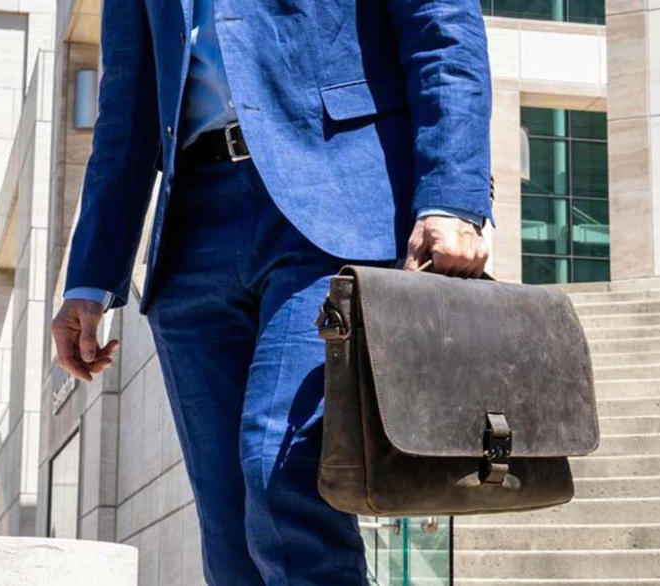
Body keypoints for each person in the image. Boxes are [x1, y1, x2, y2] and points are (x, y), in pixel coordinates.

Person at [51, 0, 492, 582]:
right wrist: (91, 277)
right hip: (192, 230)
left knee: (279, 471)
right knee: (227, 519)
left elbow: (443, 32)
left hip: (332, 207)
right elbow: (125, 112)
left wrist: (450, 197)